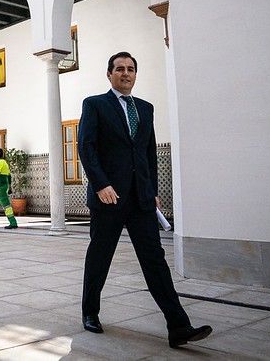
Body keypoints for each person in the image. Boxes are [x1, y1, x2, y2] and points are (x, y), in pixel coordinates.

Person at [78, 52, 212, 348]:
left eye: (130, 69)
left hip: (140, 199)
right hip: (108, 198)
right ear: (109, 74)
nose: (125, 73)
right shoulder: (95, 104)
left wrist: (152, 191)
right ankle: (90, 312)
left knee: (155, 261)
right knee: (100, 257)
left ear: (135, 74)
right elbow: (86, 147)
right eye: (119, 69)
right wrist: (101, 184)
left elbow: (148, 152)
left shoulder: (145, 108)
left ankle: (179, 326)